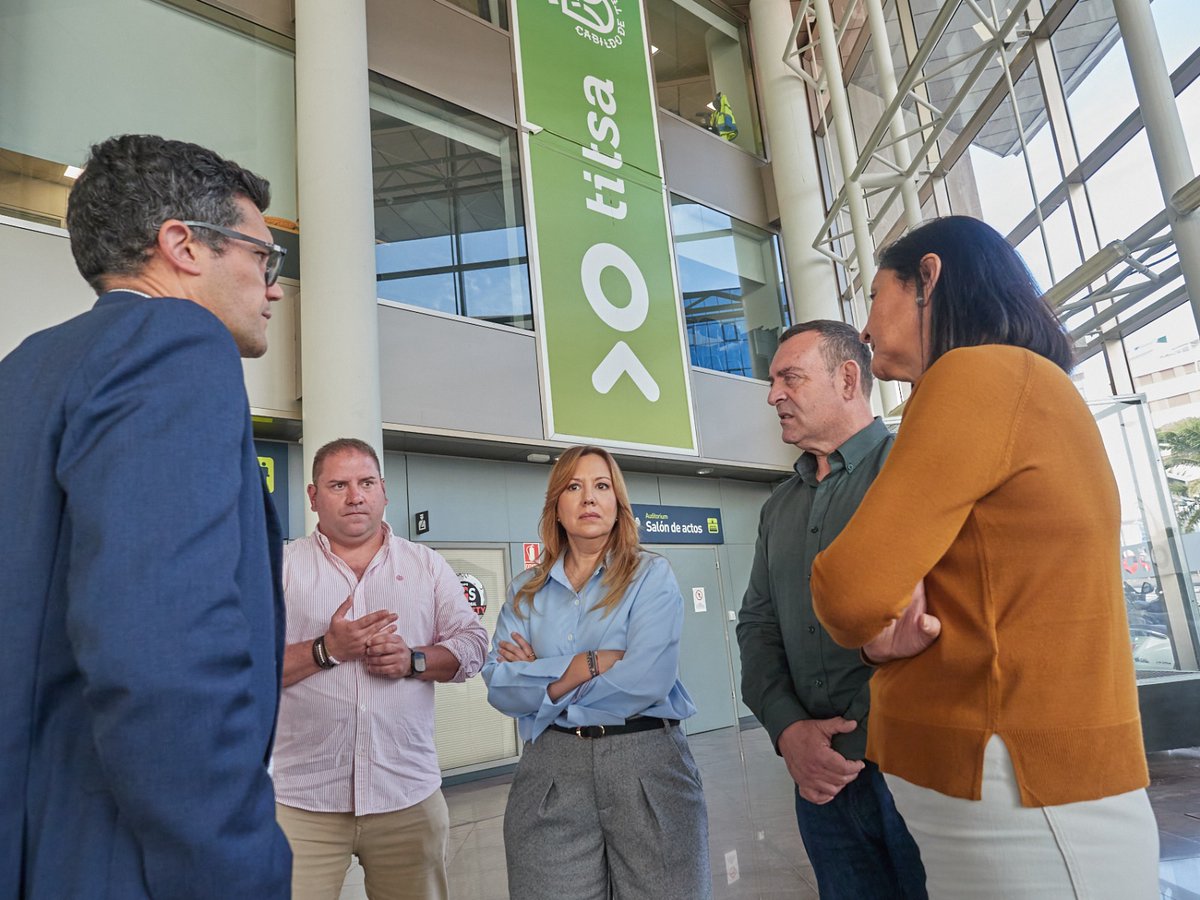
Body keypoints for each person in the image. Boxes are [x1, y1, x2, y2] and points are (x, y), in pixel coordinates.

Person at [811, 215, 1159, 898]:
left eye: (875, 296)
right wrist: (882, 643)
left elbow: (849, 591)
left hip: (1020, 776)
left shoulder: (975, 374)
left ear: (929, 278)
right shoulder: (1030, 386)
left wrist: (865, 624)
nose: (867, 326)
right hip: (1022, 769)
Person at [0, 134, 292, 898]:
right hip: (128, 857)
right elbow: (161, 645)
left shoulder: (28, 367)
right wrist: (237, 861)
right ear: (182, 246)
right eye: (266, 259)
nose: (274, 288)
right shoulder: (175, 342)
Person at [737, 320, 926, 899]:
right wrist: (788, 729)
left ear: (848, 379)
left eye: (789, 377)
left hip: (916, 769)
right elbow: (758, 625)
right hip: (819, 782)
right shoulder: (778, 508)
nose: (773, 395)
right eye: (772, 382)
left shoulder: (913, 469)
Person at [482, 446, 711, 900]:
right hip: (552, 767)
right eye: (574, 487)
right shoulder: (525, 592)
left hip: (647, 760)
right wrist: (587, 664)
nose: (589, 498)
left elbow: (647, 679)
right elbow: (500, 688)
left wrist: (540, 680)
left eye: (601, 486)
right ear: (557, 507)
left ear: (617, 503)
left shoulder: (651, 576)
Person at [273, 437, 489, 900]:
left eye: (366, 482)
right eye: (338, 485)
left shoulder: (426, 566)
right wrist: (325, 649)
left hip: (406, 796)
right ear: (313, 496)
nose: (355, 496)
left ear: (384, 490)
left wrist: (413, 660)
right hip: (302, 803)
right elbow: (246, 666)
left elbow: (473, 646)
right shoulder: (281, 568)